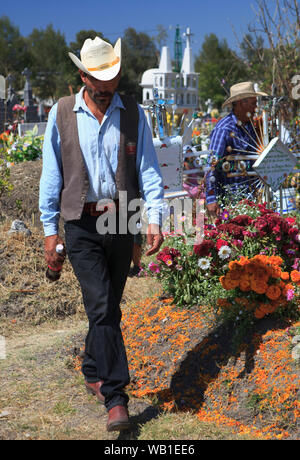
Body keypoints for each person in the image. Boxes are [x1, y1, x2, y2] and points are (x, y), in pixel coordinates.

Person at [39, 36, 165, 432]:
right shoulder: (61, 114)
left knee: (109, 304)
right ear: (83, 77)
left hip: (123, 218)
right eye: (100, 88)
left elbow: (148, 170)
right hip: (81, 222)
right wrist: (49, 230)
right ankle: (115, 396)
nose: (108, 94)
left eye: (113, 86)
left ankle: (92, 366)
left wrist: (155, 218)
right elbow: (51, 175)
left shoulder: (133, 113)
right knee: (102, 307)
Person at [205, 82, 268, 217]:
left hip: (249, 196)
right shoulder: (224, 128)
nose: (256, 108)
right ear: (241, 103)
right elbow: (211, 164)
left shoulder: (250, 126)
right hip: (229, 199)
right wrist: (211, 198)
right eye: (253, 103)